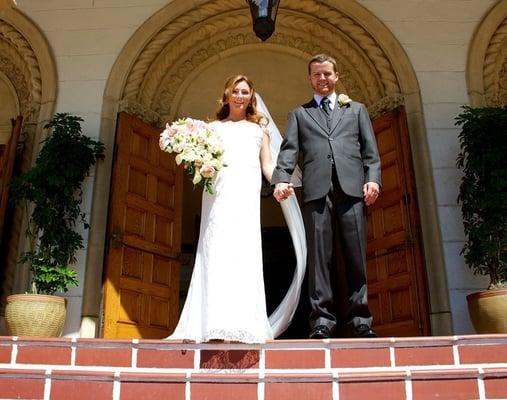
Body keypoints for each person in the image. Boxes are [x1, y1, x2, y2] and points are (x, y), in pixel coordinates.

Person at [272, 54, 382, 339]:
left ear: (336, 76)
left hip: (352, 189)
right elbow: (289, 152)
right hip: (317, 192)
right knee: (319, 258)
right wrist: (281, 179)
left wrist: (373, 180)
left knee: (355, 255)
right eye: (317, 74)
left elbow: (370, 152)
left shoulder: (356, 110)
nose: (322, 79)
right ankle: (321, 320)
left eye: (327, 74)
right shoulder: (300, 114)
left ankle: (360, 320)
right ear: (310, 79)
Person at [167, 75, 277, 343]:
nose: (240, 96)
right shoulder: (211, 128)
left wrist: (281, 184)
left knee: (243, 254)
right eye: (235, 91)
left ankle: (243, 324)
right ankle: (210, 323)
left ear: (251, 96)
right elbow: (199, 160)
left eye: (245, 92)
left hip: (246, 199)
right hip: (217, 197)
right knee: (215, 251)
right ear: (226, 94)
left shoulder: (258, 130)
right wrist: (197, 164)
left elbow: (267, 165)